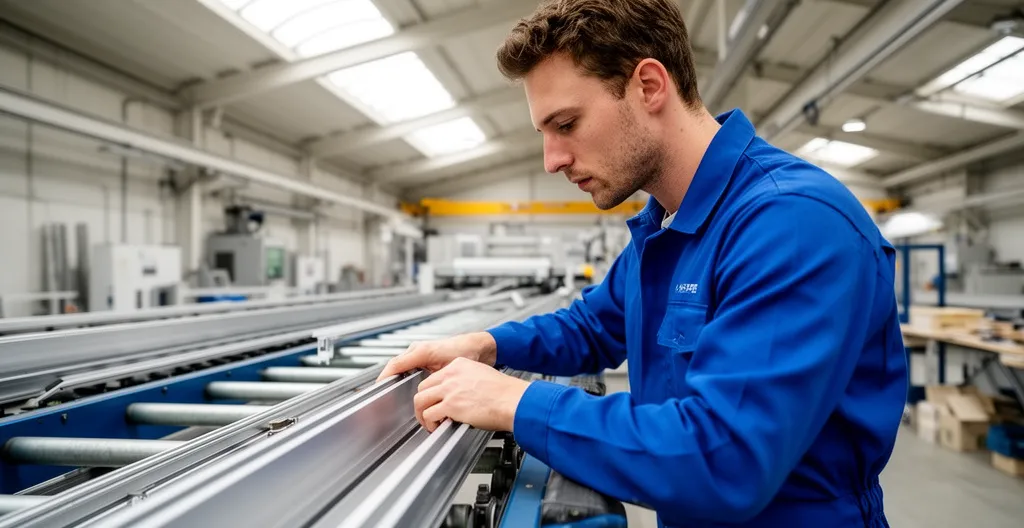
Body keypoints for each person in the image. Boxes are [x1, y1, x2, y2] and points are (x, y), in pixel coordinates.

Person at [378, 0, 907, 526]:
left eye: (567, 123)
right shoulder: (669, 226)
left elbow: (724, 459)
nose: (552, 159)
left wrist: (517, 403)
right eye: (545, 133)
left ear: (650, 86)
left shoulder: (791, 224)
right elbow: (593, 325)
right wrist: (485, 346)